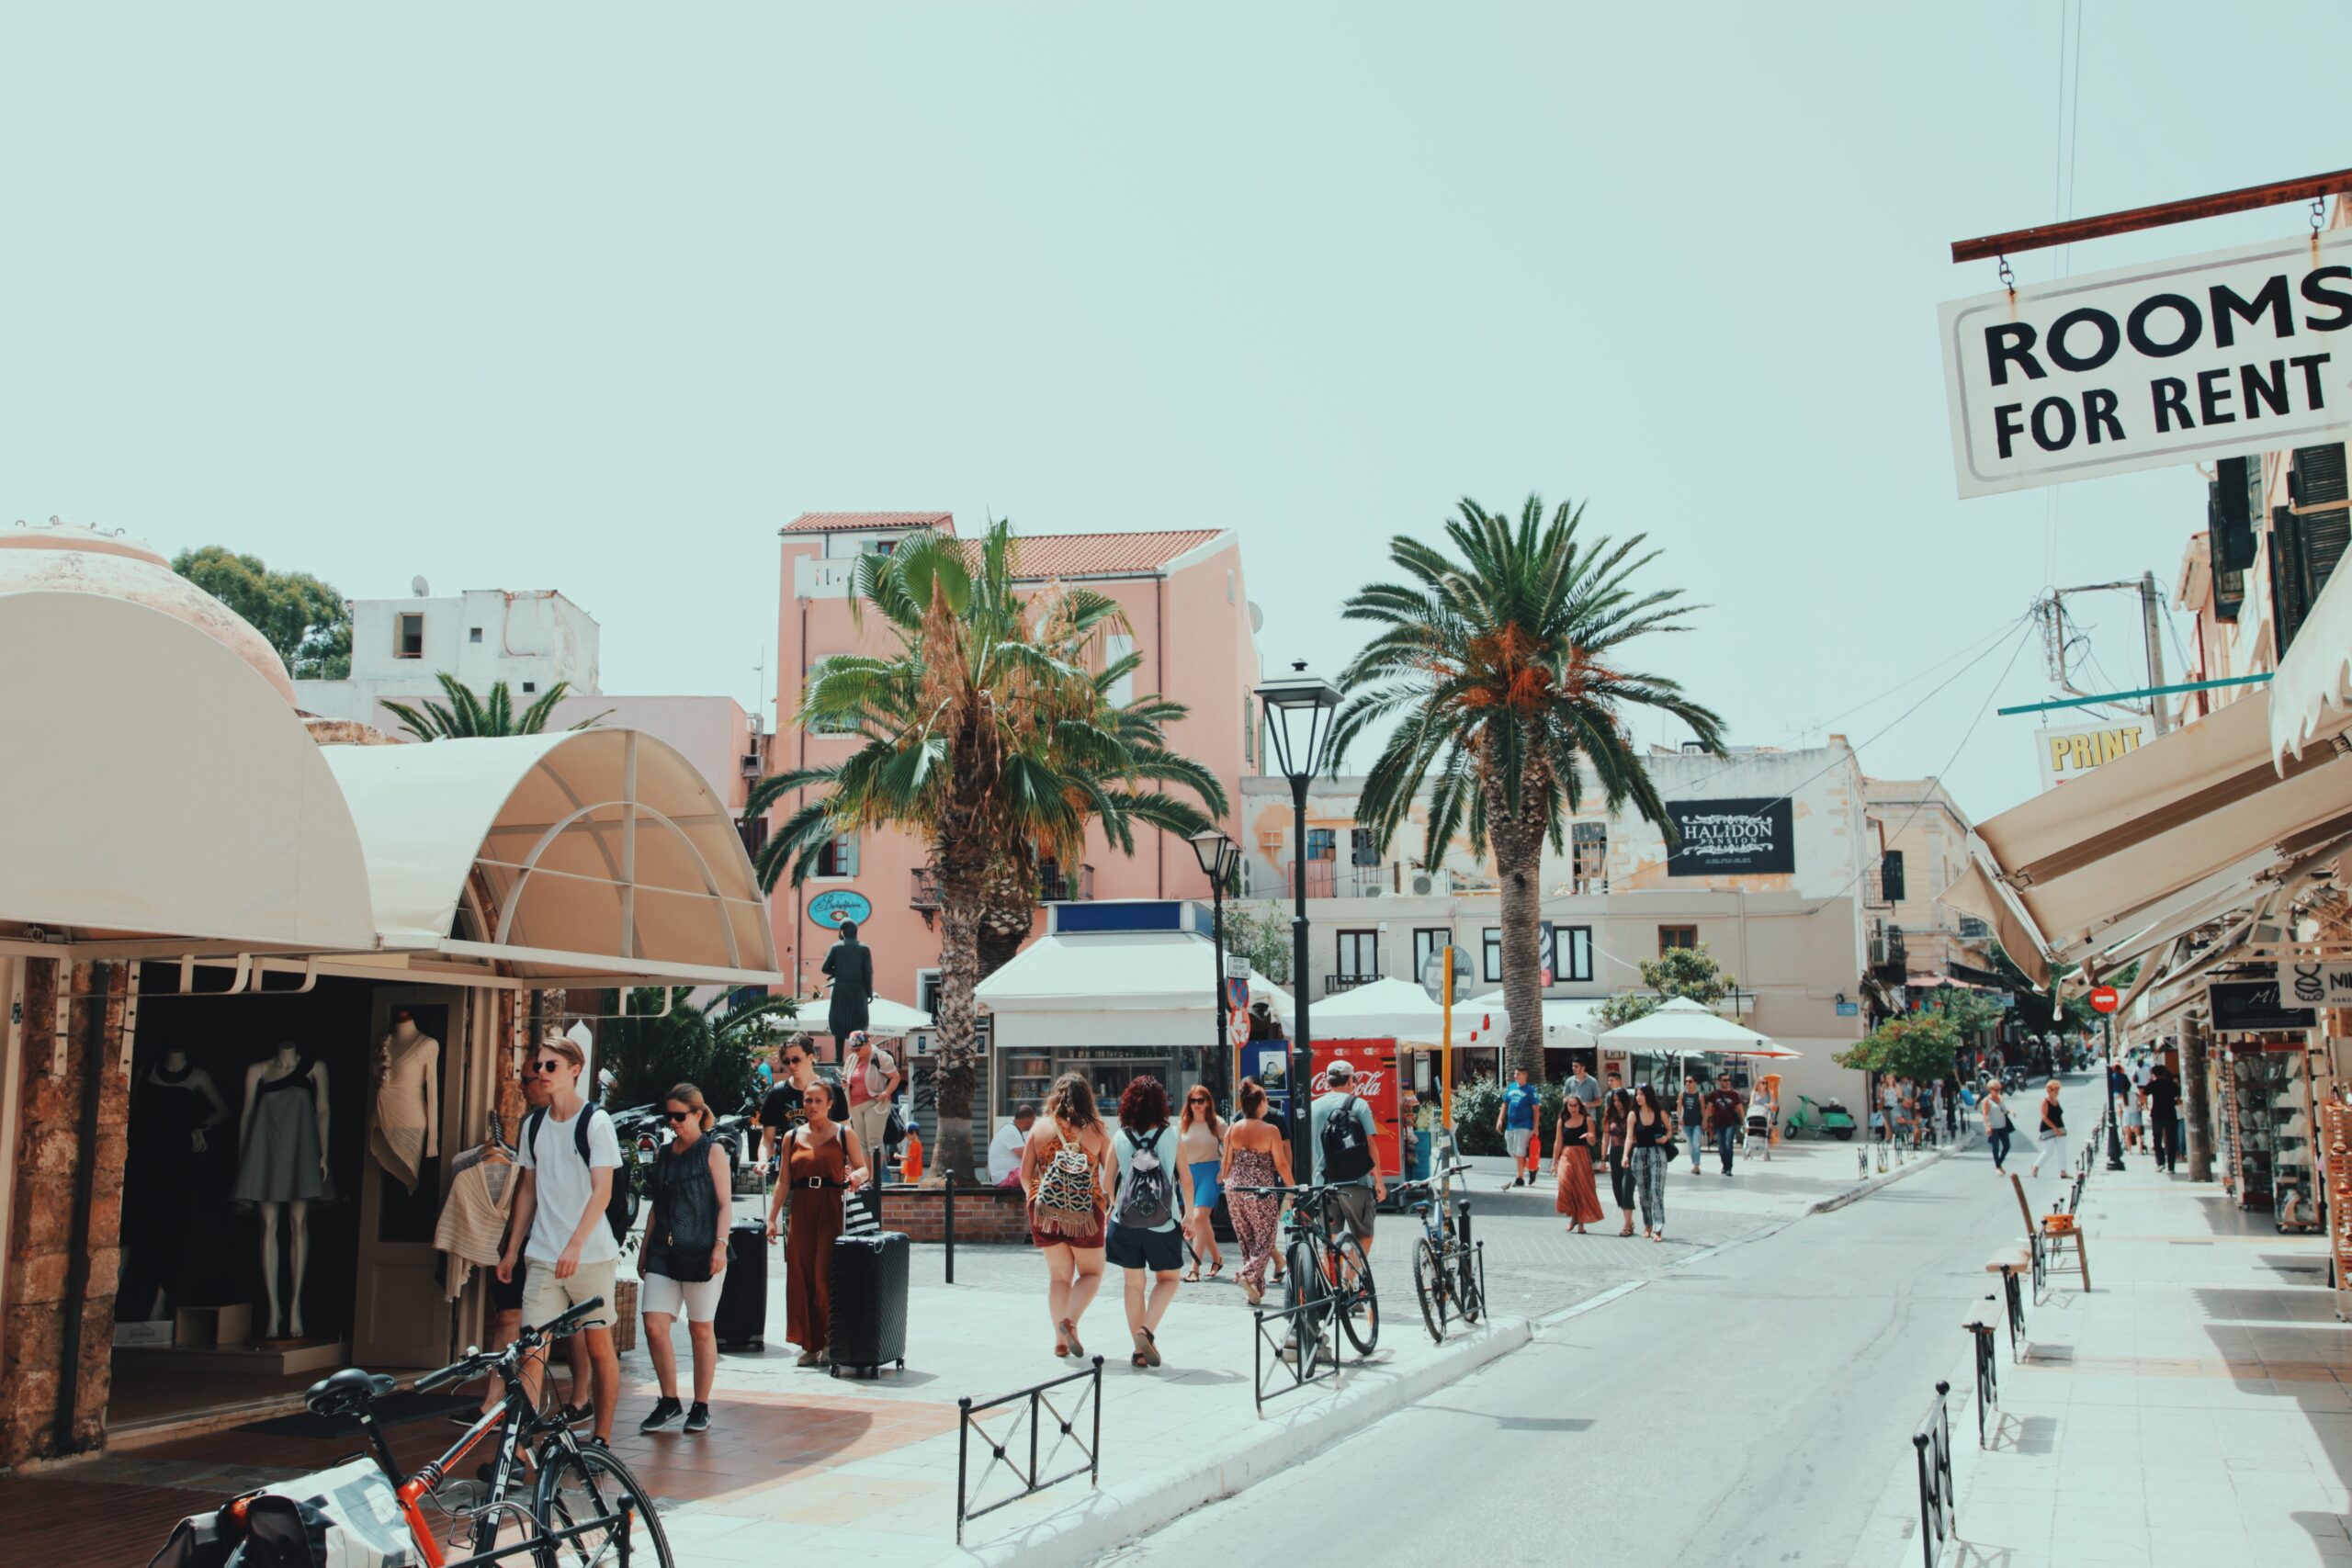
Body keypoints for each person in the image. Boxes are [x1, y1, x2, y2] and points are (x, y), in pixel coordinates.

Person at [496, 1034, 622, 1446]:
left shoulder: (596, 1122)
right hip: (543, 1255)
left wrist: (575, 1244)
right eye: (538, 1066)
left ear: (574, 1070)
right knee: (532, 1353)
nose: (542, 1073)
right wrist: (513, 1248)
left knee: (599, 1345)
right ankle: (522, 1448)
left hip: (590, 1255)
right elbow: (528, 1189)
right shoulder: (532, 1125)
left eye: (551, 1066)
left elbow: (602, 1190)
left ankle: (601, 1436)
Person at [638, 1085, 729, 1434]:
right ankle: (669, 1399)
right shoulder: (663, 1153)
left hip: (703, 1248)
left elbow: (724, 1204)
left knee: (700, 1328)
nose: (673, 1122)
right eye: (669, 1116)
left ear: (697, 1114)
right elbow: (656, 1208)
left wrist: (720, 1245)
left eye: (680, 1116)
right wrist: (645, 1249)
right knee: (653, 1325)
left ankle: (701, 1405)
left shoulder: (712, 1151)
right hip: (664, 1249)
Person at [763, 1079, 869, 1368]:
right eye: (807, 1101)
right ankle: (809, 1344)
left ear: (830, 1104)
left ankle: (829, 1338)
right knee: (800, 1275)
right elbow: (784, 1180)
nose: (810, 1106)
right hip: (801, 1207)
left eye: (817, 1101)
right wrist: (771, 1219)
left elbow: (863, 1168)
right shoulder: (792, 1136)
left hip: (831, 1205)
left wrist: (858, 1177)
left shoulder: (844, 1134)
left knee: (824, 1275)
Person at [1021, 1072, 1115, 1359]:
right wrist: (1109, 1204)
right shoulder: (1098, 1131)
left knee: (1059, 1277)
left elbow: (1025, 1175)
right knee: (1092, 1273)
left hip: (1046, 1212)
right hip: (1086, 1212)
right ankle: (1069, 1321)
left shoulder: (1039, 1128)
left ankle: (1059, 1342)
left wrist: (1037, 1201)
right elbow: (1110, 1175)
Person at [1106, 1077, 1192, 1369]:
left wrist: (1111, 1205)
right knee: (1168, 1279)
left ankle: (1139, 1351)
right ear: (1161, 1105)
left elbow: (1107, 1182)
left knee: (1133, 1286)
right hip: (1164, 1222)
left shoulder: (1119, 1137)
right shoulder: (1171, 1135)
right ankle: (1148, 1329)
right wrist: (1189, 1214)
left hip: (1125, 1221)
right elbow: (1187, 1180)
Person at [1219, 1077, 1293, 1305]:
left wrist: (1226, 1185)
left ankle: (1255, 1292)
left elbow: (1226, 1163)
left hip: (1235, 1188)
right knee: (1267, 1237)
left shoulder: (1232, 1130)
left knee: (1247, 1239)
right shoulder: (1270, 1130)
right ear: (1260, 1103)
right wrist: (1292, 1187)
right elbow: (1280, 1164)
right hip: (1260, 1188)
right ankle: (1247, 1275)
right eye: (1265, 1100)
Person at [1311, 1059, 1386, 1245]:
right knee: (1365, 1235)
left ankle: (1333, 1273)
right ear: (1351, 1080)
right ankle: (1348, 1275)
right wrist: (1378, 1181)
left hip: (1323, 1184)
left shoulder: (1312, 1107)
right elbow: (1370, 1145)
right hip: (1356, 1182)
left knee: (1330, 1241)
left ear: (1328, 1081)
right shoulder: (1359, 1105)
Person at [1177, 1087, 1226, 1282]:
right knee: (1202, 1221)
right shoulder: (1182, 1124)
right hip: (1188, 1174)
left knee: (1198, 1218)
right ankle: (1217, 1259)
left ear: (1208, 1102)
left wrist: (1225, 1169)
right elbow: (1176, 1150)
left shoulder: (1217, 1123)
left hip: (1210, 1172)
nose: (1196, 1104)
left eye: (1200, 1100)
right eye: (1193, 1100)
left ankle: (1194, 1268)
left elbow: (1233, 1144)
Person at [756, 1036, 823, 1173]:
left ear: (811, 1057)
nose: (791, 1065)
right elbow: (767, 1139)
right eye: (787, 1061)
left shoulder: (831, 1090)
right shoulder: (778, 1093)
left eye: (796, 1060)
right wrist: (763, 1160)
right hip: (790, 1173)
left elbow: (844, 1133)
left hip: (826, 1173)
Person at [841, 1031, 901, 1164]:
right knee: (861, 1143)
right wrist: (844, 1082)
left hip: (874, 1103)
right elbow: (846, 1076)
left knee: (874, 1142)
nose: (855, 1051)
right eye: (853, 1048)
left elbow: (895, 1077)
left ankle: (875, 1180)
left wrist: (886, 1093)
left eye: (858, 1048)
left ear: (867, 1043)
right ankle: (866, 1178)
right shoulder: (852, 1059)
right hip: (855, 1105)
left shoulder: (880, 1057)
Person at [1552, 1092, 1604, 1233]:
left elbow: (1593, 1142)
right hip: (1566, 1155)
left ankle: (1580, 1221)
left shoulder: (1587, 1120)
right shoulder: (1561, 1121)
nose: (1573, 1108)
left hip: (1581, 1155)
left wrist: (1589, 1136)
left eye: (1575, 1105)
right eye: (1570, 1105)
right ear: (1566, 1106)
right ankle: (1574, 1216)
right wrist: (1554, 1163)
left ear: (1579, 1106)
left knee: (1582, 1188)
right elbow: (1558, 1143)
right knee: (1565, 1184)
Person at [1629, 1085, 1672, 1242]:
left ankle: (1658, 1228)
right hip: (1639, 1154)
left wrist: (1665, 1138)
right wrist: (1625, 1156)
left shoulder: (1660, 1113)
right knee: (1643, 1193)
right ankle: (1648, 1224)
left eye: (1641, 1094)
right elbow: (1629, 1137)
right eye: (1637, 1094)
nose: (1638, 1097)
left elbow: (1669, 1130)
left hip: (1657, 1153)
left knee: (1656, 1190)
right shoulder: (1633, 1115)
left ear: (1648, 1096)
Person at [1495, 1067, 1541, 1189]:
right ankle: (1532, 1168)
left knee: (1520, 1152)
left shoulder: (1530, 1090)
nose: (1516, 1076)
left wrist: (1536, 1127)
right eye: (1515, 1073)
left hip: (1525, 1125)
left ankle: (1519, 1178)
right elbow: (1505, 1104)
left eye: (1518, 1074)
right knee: (1511, 1150)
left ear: (1525, 1075)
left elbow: (1536, 1109)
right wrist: (1500, 1119)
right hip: (1511, 1124)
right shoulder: (1511, 1087)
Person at [1601, 1089, 1635, 1237]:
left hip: (1631, 1152)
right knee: (1617, 1188)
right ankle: (1629, 1220)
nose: (1617, 1104)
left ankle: (1627, 1225)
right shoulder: (1610, 1115)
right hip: (1615, 1152)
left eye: (1619, 1100)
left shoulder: (1632, 1114)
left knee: (1626, 1186)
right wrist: (1603, 1158)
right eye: (1614, 1101)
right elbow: (1605, 1136)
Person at [1703, 1074, 1744, 1177]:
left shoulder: (1734, 1094)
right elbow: (1709, 1108)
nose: (1727, 1082)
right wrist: (1705, 1120)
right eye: (1725, 1080)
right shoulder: (1714, 1094)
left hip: (1731, 1122)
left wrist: (1744, 1123)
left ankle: (1729, 1167)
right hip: (1718, 1123)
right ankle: (1725, 1165)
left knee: (1728, 1144)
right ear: (1719, 1081)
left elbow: (1740, 1109)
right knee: (1721, 1146)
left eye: (1729, 1080)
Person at [990, 1101, 1038, 1187]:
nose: (1033, 1123)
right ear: (1028, 1120)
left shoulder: (1014, 1129)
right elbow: (1026, 1156)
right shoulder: (1011, 1131)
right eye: (1033, 1120)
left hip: (1009, 1177)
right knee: (1040, 1171)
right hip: (1005, 1178)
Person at [2147, 1064, 2182, 1173]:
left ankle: (2160, 1163)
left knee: (2157, 1139)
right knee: (2171, 1140)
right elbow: (2179, 1100)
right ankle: (2171, 1167)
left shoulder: (2152, 1084)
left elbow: (2144, 1095)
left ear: (2154, 1074)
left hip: (2157, 1114)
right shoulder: (2172, 1085)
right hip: (2170, 1114)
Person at [2029, 1078, 2066, 1178]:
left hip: (2060, 1127)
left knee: (2061, 1150)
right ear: (2050, 1090)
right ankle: (2035, 1167)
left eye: (2058, 1091)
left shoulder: (2056, 1100)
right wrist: (2055, 1129)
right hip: (2048, 1129)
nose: (2058, 1093)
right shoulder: (2045, 1101)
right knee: (2048, 1151)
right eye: (2056, 1091)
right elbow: (2044, 1117)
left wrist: (2060, 1129)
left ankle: (2063, 1171)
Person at [1980, 1079, 2016, 1173]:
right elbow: (1985, 1115)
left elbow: (2003, 1110)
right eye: (1995, 1090)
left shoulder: (2000, 1098)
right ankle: (1998, 1167)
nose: (1998, 1091)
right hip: (1993, 1127)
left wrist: (2010, 1111)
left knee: (2007, 1146)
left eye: (1999, 1089)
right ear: (1990, 1090)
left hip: (2002, 1126)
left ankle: (1999, 1163)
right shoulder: (1986, 1101)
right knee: (1995, 1148)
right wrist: (1987, 1126)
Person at [1678, 1073, 1705, 1175]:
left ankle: (1696, 1165)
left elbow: (1703, 1109)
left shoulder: (1700, 1095)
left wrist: (1704, 1121)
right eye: (1686, 1081)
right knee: (1690, 1145)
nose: (1687, 1083)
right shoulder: (1682, 1095)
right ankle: (1694, 1162)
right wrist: (1680, 1118)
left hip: (1697, 1123)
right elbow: (1679, 1108)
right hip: (1686, 1123)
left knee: (1696, 1144)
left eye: (1690, 1081)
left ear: (1695, 1083)